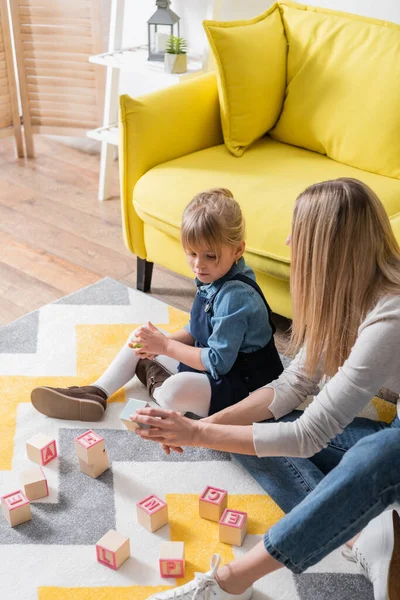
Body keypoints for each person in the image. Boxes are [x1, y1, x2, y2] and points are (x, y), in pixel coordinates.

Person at [130, 178, 400, 600]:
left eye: (299, 232)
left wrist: (198, 432)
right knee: (248, 434)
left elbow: (308, 435)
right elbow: (294, 383)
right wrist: (215, 426)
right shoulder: (350, 294)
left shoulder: (390, 317)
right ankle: (361, 531)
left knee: (353, 450)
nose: (289, 240)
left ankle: (230, 582)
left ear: (328, 247)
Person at [30, 188, 283, 421]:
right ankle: (97, 391)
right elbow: (198, 331)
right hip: (215, 369)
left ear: (238, 250)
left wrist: (165, 346)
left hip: (245, 386)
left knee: (174, 391)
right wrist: (158, 344)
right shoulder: (215, 276)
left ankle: (158, 380)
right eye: (192, 253)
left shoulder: (235, 297)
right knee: (141, 336)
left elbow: (218, 362)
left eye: (210, 256)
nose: (198, 265)